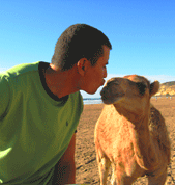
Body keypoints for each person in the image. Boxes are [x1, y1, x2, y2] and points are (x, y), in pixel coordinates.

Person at [0, 24, 112, 184]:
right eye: (103, 66)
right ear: (83, 65)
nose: (106, 75)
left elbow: (66, 164)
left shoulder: (75, 101)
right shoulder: (9, 86)